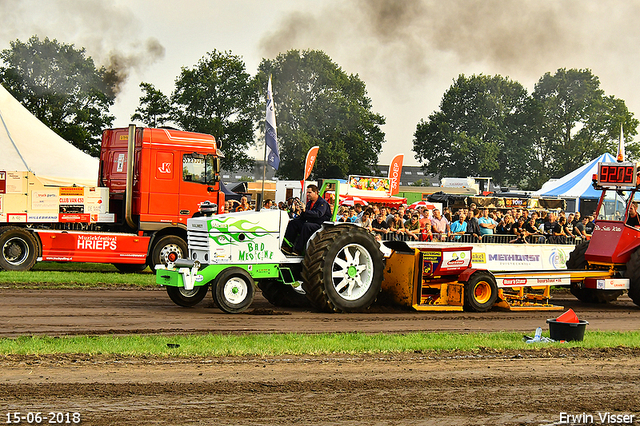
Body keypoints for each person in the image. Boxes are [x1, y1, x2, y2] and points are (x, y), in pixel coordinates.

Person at [282, 185, 332, 255]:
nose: (307, 194)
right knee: (293, 223)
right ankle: (287, 246)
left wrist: (305, 210)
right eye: (307, 192)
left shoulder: (322, 203)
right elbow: (305, 216)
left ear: (316, 192)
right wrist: (299, 215)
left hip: (320, 225)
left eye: (309, 192)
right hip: (310, 223)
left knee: (306, 226)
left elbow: (318, 214)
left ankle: (298, 250)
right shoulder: (309, 203)